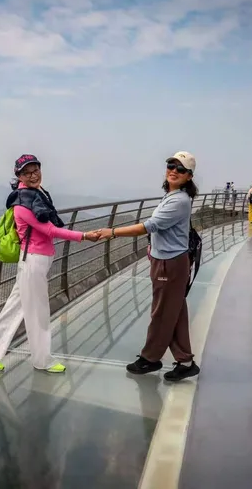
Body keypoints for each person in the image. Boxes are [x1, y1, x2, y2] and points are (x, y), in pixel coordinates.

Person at [0, 154, 100, 374]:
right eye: (27, 173)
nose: (33, 175)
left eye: (35, 170)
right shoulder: (22, 204)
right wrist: (83, 236)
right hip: (33, 262)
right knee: (38, 313)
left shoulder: (36, 194)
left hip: (35, 261)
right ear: (19, 176)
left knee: (17, 306)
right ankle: (43, 360)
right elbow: (49, 230)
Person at [95, 151, 200, 382]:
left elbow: (149, 226)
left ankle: (150, 358)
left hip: (170, 264)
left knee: (161, 313)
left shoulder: (179, 201)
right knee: (175, 312)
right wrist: (154, 249)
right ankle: (185, 362)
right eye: (171, 165)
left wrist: (112, 232)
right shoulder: (173, 196)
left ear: (189, 176)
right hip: (169, 260)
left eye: (181, 169)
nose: (174, 171)